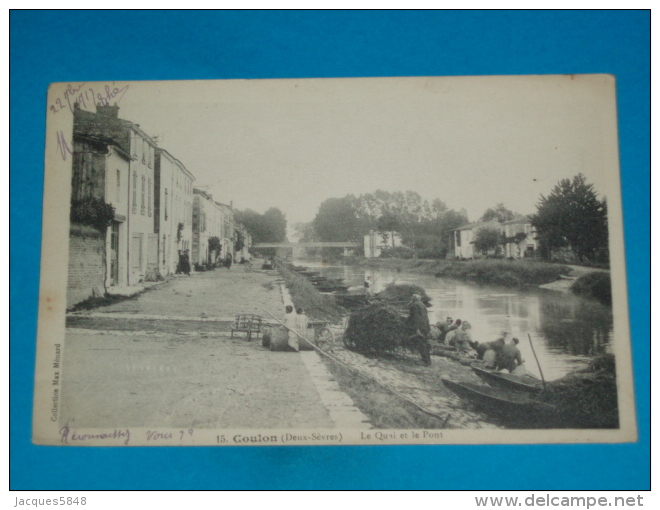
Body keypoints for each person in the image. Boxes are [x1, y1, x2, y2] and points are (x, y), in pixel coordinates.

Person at [406, 293, 432, 366]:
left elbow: (416, 318)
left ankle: (425, 362)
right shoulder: (422, 305)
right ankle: (427, 359)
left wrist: (417, 328)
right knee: (425, 343)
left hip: (420, 327)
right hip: (425, 326)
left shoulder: (414, 305)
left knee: (421, 344)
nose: (411, 299)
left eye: (411, 298)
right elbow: (425, 317)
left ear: (414, 299)